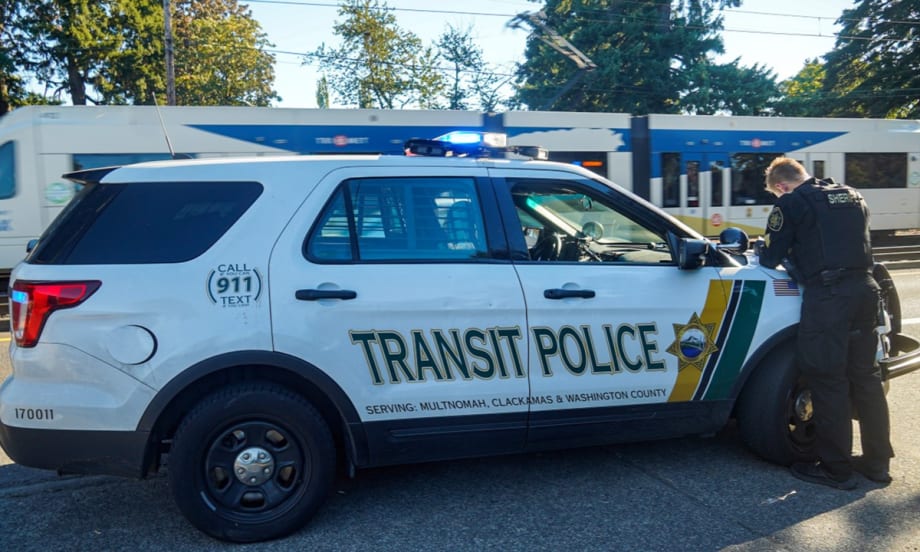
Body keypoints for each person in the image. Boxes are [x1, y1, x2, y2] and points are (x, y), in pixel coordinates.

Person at [756, 157, 893, 490]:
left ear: (781, 186)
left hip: (830, 297)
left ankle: (836, 469)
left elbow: (770, 256)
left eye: (777, 193)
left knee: (828, 378)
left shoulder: (792, 202)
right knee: (867, 377)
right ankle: (877, 465)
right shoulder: (852, 194)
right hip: (866, 291)